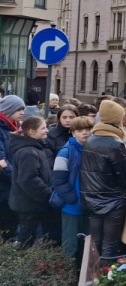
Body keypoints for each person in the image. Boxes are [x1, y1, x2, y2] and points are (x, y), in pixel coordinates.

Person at [80, 99, 126, 259]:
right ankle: (104, 280)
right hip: (113, 200)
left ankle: (90, 280)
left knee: (95, 243)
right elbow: (125, 177)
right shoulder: (115, 144)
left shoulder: (91, 139)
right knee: (110, 246)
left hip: (91, 198)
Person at [9, 115, 57, 246]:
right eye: (43, 128)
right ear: (31, 131)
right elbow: (28, 180)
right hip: (30, 204)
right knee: (26, 239)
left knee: (28, 237)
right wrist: (48, 194)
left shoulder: (35, 148)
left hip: (32, 203)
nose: (47, 131)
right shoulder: (28, 152)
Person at [52, 115, 94, 260]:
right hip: (72, 205)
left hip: (90, 204)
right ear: (73, 132)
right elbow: (58, 180)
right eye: (80, 130)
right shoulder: (66, 151)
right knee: (70, 245)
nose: (85, 133)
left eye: (88, 129)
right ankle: (67, 277)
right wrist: (71, 198)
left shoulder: (94, 149)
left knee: (89, 246)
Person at [0, 95, 25, 240]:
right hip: (5, 185)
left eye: (23, 109)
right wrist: (17, 177)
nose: (22, 112)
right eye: (19, 109)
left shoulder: (14, 127)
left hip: (10, 182)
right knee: (7, 225)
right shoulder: (3, 129)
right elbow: (2, 161)